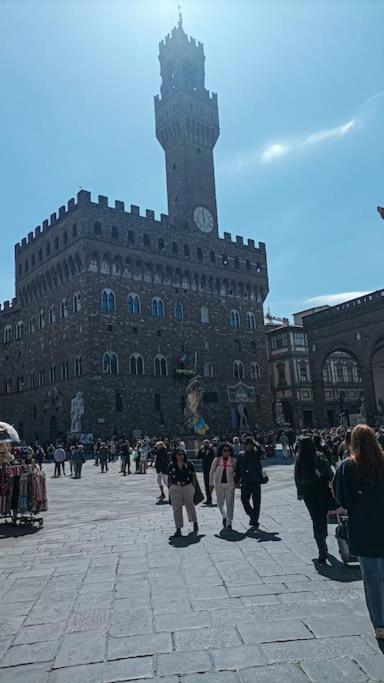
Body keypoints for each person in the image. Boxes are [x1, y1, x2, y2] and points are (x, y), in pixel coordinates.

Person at [333, 425, 384, 644]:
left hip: (364, 530)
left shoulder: (347, 467)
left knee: (372, 579)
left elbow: (342, 499)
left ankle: (380, 625)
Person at [294, 436, 338, 564]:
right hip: (321, 489)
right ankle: (323, 540)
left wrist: (299, 493)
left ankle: (321, 548)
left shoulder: (299, 459)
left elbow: (297, 477)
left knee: (315, 519)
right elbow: (330, 474)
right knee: (322, 517)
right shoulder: (319, 456)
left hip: (308, 492)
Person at [168, 446, 198, 538]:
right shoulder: (171, 465)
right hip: (175, 487)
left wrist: (193, 486)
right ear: (175, 455)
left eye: (183, 454)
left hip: (187, 486)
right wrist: (170, 487)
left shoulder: (189, 464)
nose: (181, 456)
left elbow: (193, 475)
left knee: (190, 505)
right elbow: (169, 477)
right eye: (179, 454)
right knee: (176, 508)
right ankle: (178, 528)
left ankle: (194, 522)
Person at [237, 437, 266, 530]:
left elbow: (261, 450)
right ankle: (252, 514)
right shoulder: (240, 455)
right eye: (247, 445)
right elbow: (237, 469)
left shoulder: (256, 453)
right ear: (244, 446)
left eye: (251, 445)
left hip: (256, 481)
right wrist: (236, 481)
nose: (249, 446)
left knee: (257, 502)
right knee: (244, 500)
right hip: (245, 482)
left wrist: (254, 442)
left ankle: (254, 520)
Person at [209, 443, 237, 529]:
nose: (226, 452)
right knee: (220, 503)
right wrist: (211, 484)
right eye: (225, 450)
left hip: (230, 485)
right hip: (219, 485)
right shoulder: (216, 460)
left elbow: (237, 472)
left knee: (230, 504)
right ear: (221, 451)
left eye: (228, 450)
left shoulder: (233, 460)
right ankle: (224, 516)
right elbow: (211, 472)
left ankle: (229, 522)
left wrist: (237, 482)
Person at [198, 439, 215, 505]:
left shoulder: (211, 450)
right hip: (205, 469)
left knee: (211, 484)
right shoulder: (203, 450)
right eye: (204, 443)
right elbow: (199, 456)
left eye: (207, 443)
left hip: (210, 469)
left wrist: (209, 451)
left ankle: (210, 498)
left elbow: (213, 456)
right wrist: (200, 450)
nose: (206, 444)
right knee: (206, 485)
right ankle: (208, 499)